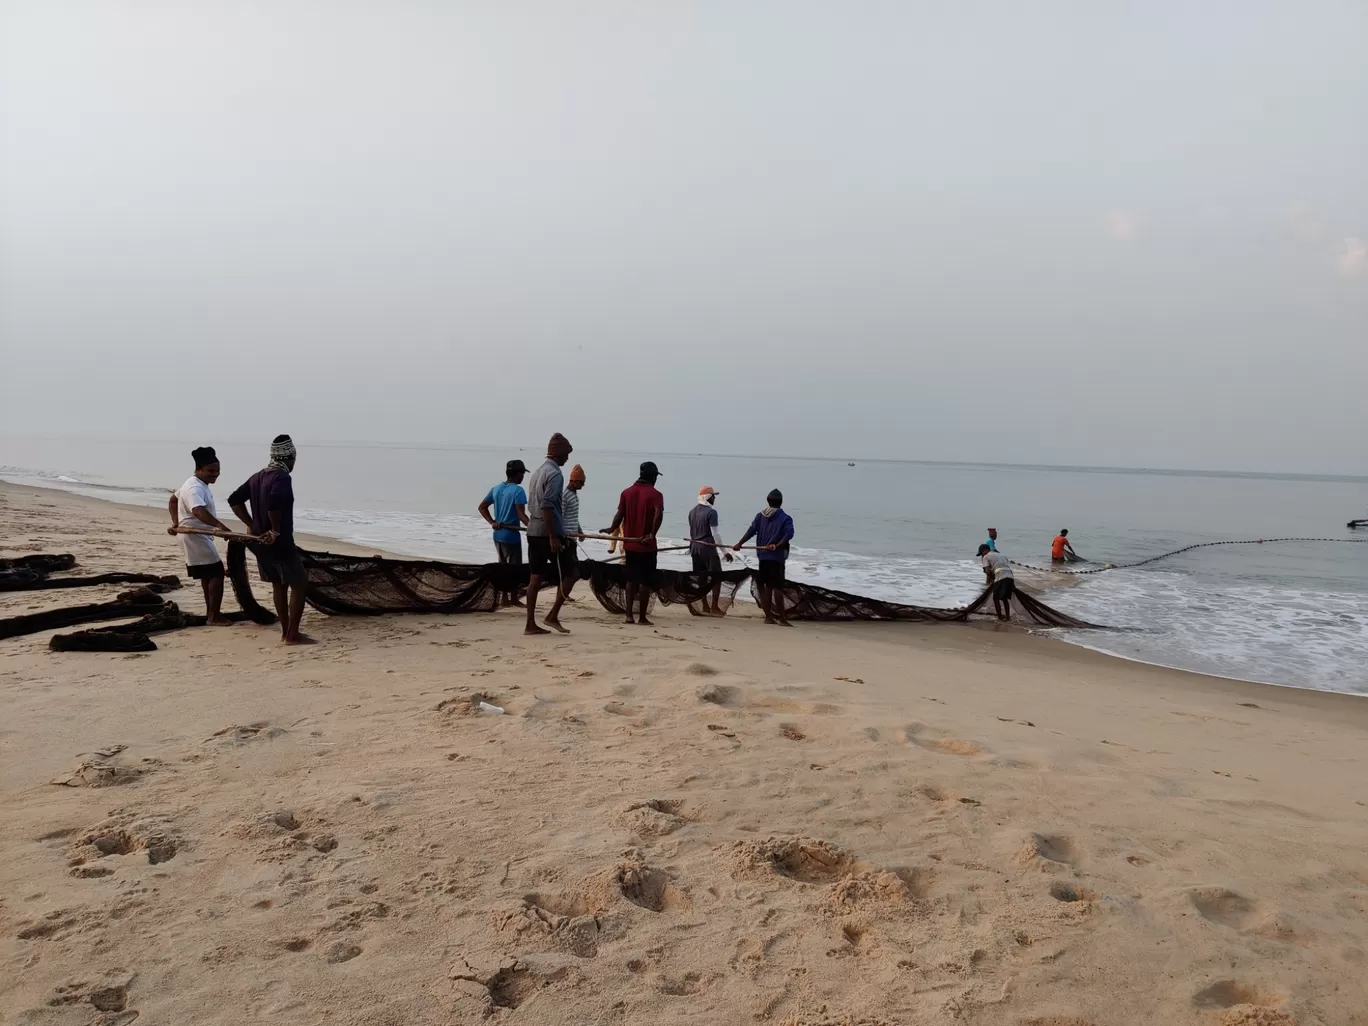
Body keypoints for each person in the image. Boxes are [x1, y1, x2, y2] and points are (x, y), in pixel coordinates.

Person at [228, 434, 313, 645]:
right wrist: (275, 530)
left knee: (278, 584)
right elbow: (275, 502)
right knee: (299, 583)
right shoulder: (282, 477)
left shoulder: (258, 476)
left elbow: (234, 499)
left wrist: (252, 523)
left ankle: (285, 632)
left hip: (259, 542)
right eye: (294, 458)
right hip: (279, 542)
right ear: (289, 457)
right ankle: (292, 634)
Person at [166, 446, 233, 625]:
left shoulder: (194, 483)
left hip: (196, 535)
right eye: (211, 471)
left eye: (218, 471)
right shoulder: (194, 487)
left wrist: (175, 522)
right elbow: (198, 511)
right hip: (194, 536)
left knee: (208, 574)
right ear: (199, 469)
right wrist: (220, 526)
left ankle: (211, 613)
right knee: (217, 572)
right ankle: (214, 616)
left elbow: (173, 499)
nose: (215, 475)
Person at [524, 434, 575, 636]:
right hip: (547, 533)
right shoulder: (555, 475)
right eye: (566, 454)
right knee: (572, 573)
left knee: (535, 578)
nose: (567, 459)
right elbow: (547, 505)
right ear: (559, 453)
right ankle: (552, 615)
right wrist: (554, 536)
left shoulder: (537, 472)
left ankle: (530, 624)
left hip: (533, 530)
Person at [604, 462, 664, 626]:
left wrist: (611, 528)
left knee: (631, 579)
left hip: (629, 544)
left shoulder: (627, 492)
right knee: (644, 581)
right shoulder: (656, 495)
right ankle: (642, 618)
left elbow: (619, 515)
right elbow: (658, 516)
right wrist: (652, 535)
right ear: (652, 477)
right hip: (646, 546)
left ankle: (629, 615)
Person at [735, 489, 795, 626]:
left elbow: (751, 531)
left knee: (768, 587)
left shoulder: (760, 516)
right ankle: (782, 619)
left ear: (768, 501)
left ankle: (768, 617)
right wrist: (777, 545)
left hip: (763, 557)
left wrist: (740, 543)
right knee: (778, 588)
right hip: (777, 557)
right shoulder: (785, 518)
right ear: (781, 502)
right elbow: (789, 535)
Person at [478, 460, 529, 607]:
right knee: (514, 569)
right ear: (517, 474)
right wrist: (533, 527)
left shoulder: (496, 489)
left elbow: (482, 507)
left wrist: (492, 522)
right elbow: (521, 515)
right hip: (511, 536)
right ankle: (513, 598)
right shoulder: (518, 491)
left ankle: (504, 598)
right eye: (522, 473)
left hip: (498, 535)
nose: (523, 477)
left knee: (503, 567)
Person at [688, 486, 733, 615]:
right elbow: (715, 535)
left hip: (695, 548)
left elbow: (692, 532)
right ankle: (714, 607)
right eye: (713, 496)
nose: (714, 498)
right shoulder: (711, 513)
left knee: (701, 578)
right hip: (707, 549)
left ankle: (705, 606)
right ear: (708, 497)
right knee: (717, 576)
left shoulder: (692, 512)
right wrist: (725, 552)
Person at [560, 464, 586, 599]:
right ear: (574, 481)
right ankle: (563, 594)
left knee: (573, 569)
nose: (583, 485)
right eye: (581, 483)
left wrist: (580, 531)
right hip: (566, 539)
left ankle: (565, 594)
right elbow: (561, 516)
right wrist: (562, 536)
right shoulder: (565, 495)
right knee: (572, 571)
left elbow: (573, 516)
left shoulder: (575, 495)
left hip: (573, 537)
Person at [978, 542, 1015, 621]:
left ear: (985, 550)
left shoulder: (986, 557)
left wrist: (992, 576)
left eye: (981, 553)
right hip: (1010, 576)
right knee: (1005, 599)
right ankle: (1007, 617)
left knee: (996, 598)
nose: (982, 555)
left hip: (1001, 576)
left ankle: (1000, 617)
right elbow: (1006, 566)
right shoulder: (1002, 555)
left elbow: (987, 571)